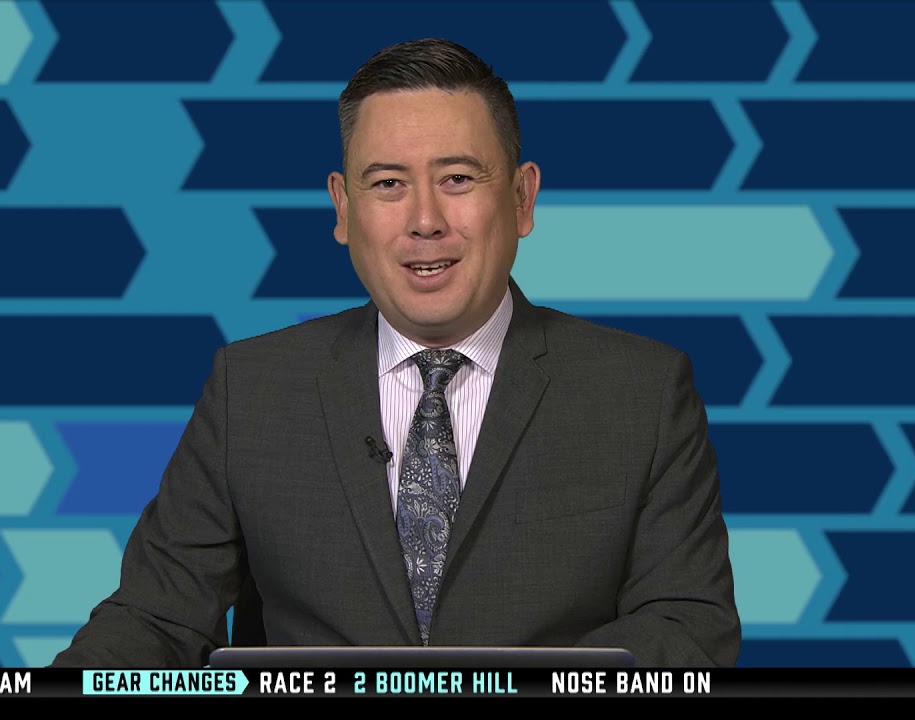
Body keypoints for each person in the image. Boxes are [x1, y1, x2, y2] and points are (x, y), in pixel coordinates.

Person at [52, 38, 740, 668]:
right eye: (387, 184)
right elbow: (155, 620)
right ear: (343, 207)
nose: (424, 221)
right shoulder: (251, 389)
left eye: (458, 178)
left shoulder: (642, 392)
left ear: (522, 198)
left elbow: (685, 627)